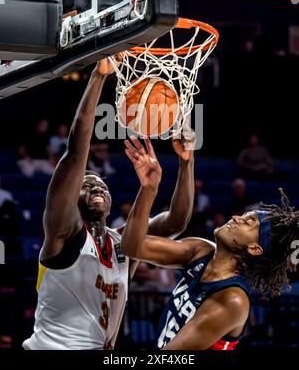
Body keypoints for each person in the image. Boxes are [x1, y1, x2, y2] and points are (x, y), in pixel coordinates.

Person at [22, 58, 194, 350]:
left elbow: (176, 222)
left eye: (100, 184)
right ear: (71, 200)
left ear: (112, 201)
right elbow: (76, 154)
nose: (95, 186)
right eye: (85, 185)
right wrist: (98, 78)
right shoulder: (63, 233)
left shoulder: (124, 243)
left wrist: (186, 162)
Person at [121, 140, 299, 350]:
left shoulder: (232, 300)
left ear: (254, 248)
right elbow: (133, 247)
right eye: (244, 215)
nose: (236, 217)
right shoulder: (202, 250)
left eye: (248, 222)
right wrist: (152, 186)